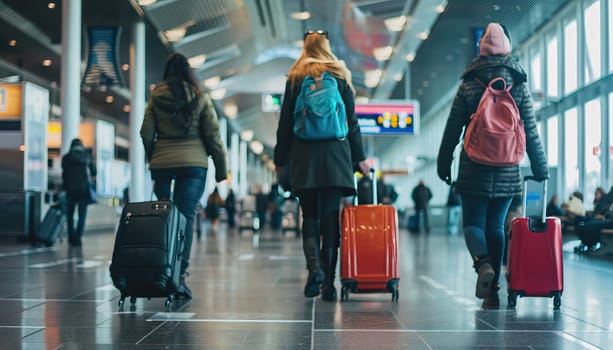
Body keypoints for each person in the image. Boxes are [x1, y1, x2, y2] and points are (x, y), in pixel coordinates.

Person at [436, 23, 549, 309]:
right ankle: (493, 288)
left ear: (481, 48)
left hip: (474, 164)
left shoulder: (469, 83)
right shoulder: (518, 83)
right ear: (507, 48)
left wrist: (443, 163)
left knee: (473, 224)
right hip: (508, 166)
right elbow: (531, 132)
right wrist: (540, 168)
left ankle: (482, 265)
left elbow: (452, 130)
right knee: (496, 226)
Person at [273, 29, 370, 301]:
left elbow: (285, 125)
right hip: (336, 154)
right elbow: (352, 122)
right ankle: (329, 282)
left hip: (304, 156)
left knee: (310, 216)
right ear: (327, 47)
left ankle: (314, 268)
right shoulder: (340, 75)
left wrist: (280, 160)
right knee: (330, 218)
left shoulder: (295, 77)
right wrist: (359, 158)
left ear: (305, 47)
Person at [140, 53, 227, 299]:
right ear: (189, 72)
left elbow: (146, 132)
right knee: (185, 217)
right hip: (193, 164)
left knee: (163, 216)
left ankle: (160, 271)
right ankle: (178, 276)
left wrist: (153, 158)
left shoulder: (156, 96)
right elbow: (213, 137)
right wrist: (221, 169)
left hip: (163, 164)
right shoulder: (200, 98)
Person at [61, 138, 96, 247]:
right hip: (83, 190)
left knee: (70, 215)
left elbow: (64, 174)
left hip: (69, 190)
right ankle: (78, 238)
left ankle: (71, 237)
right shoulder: (87, 156)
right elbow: (94, 172)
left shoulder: (66, 158)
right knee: (82, 215)